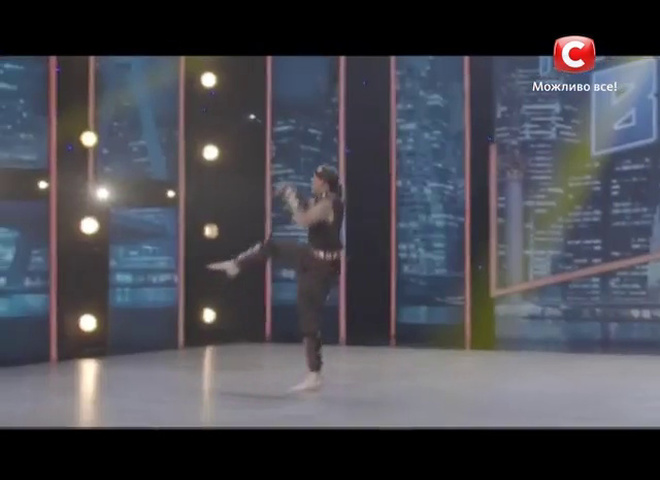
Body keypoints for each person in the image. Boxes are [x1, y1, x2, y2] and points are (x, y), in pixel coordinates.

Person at [207, 165, 344, 392]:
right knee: (273, 247)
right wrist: (291, 193)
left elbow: (303, 219)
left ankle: (314, 374)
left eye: (315, 178)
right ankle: (236, 265)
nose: (312, 181)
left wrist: (291, 198)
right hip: (310, 256)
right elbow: (306, 207)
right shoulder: (321, 199)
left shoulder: (330, 203)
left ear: (324, 182)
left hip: (323, 266)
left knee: (308, 315)